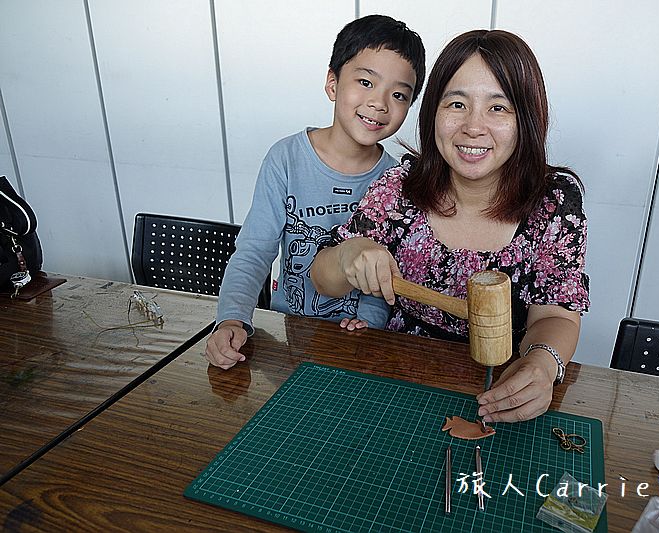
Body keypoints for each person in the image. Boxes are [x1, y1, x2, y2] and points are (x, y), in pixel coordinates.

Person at [310, 30, 589, 423]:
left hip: (503, 386)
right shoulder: (399, 188)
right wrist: (347, 256)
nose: (473, 127)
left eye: (499, 108)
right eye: (457, 104)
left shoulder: (554, 202)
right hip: (397, 383)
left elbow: (556, 316)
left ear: (527, 118)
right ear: (433, 113)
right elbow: (323, 278)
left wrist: (542, 365)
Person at [205, 15, 426, 370]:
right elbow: (253, 252)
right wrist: (232, 319)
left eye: (399, 94)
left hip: (356, 346)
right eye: (366, 81)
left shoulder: (397, 181)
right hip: (289, 338)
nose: (380, 103)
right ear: (332, 83)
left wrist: (370, 322)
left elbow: (386, 273)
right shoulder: (286, 158)